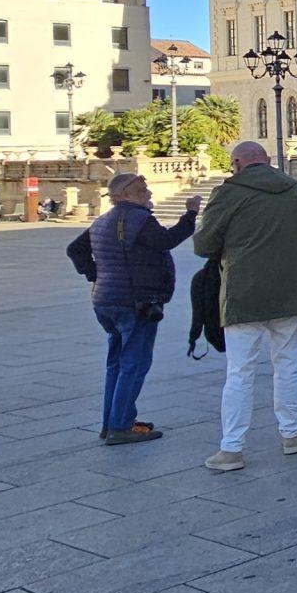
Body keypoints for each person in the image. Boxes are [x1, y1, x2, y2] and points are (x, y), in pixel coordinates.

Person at [191, 141, 297, 472]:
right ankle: (292, 435)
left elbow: (204, 245)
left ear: (239, 162)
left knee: (240, 372)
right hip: (293, 294)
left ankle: (232, 449)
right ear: (267, 161)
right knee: (288, 366)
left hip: (246, 295)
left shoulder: (228, 194)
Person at [65, 174, 200, 445]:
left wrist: (96, 274)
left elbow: (74, 249)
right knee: (134, 364)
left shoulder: (104, 220)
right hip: (135, 302)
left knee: (116, 362)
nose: (148, 193)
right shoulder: (138, 219)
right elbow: (167, 240)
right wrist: (190, 214)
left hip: (106, 301)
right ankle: (120, 426)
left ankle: (113, 421)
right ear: (126, 193)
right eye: (142, 189)